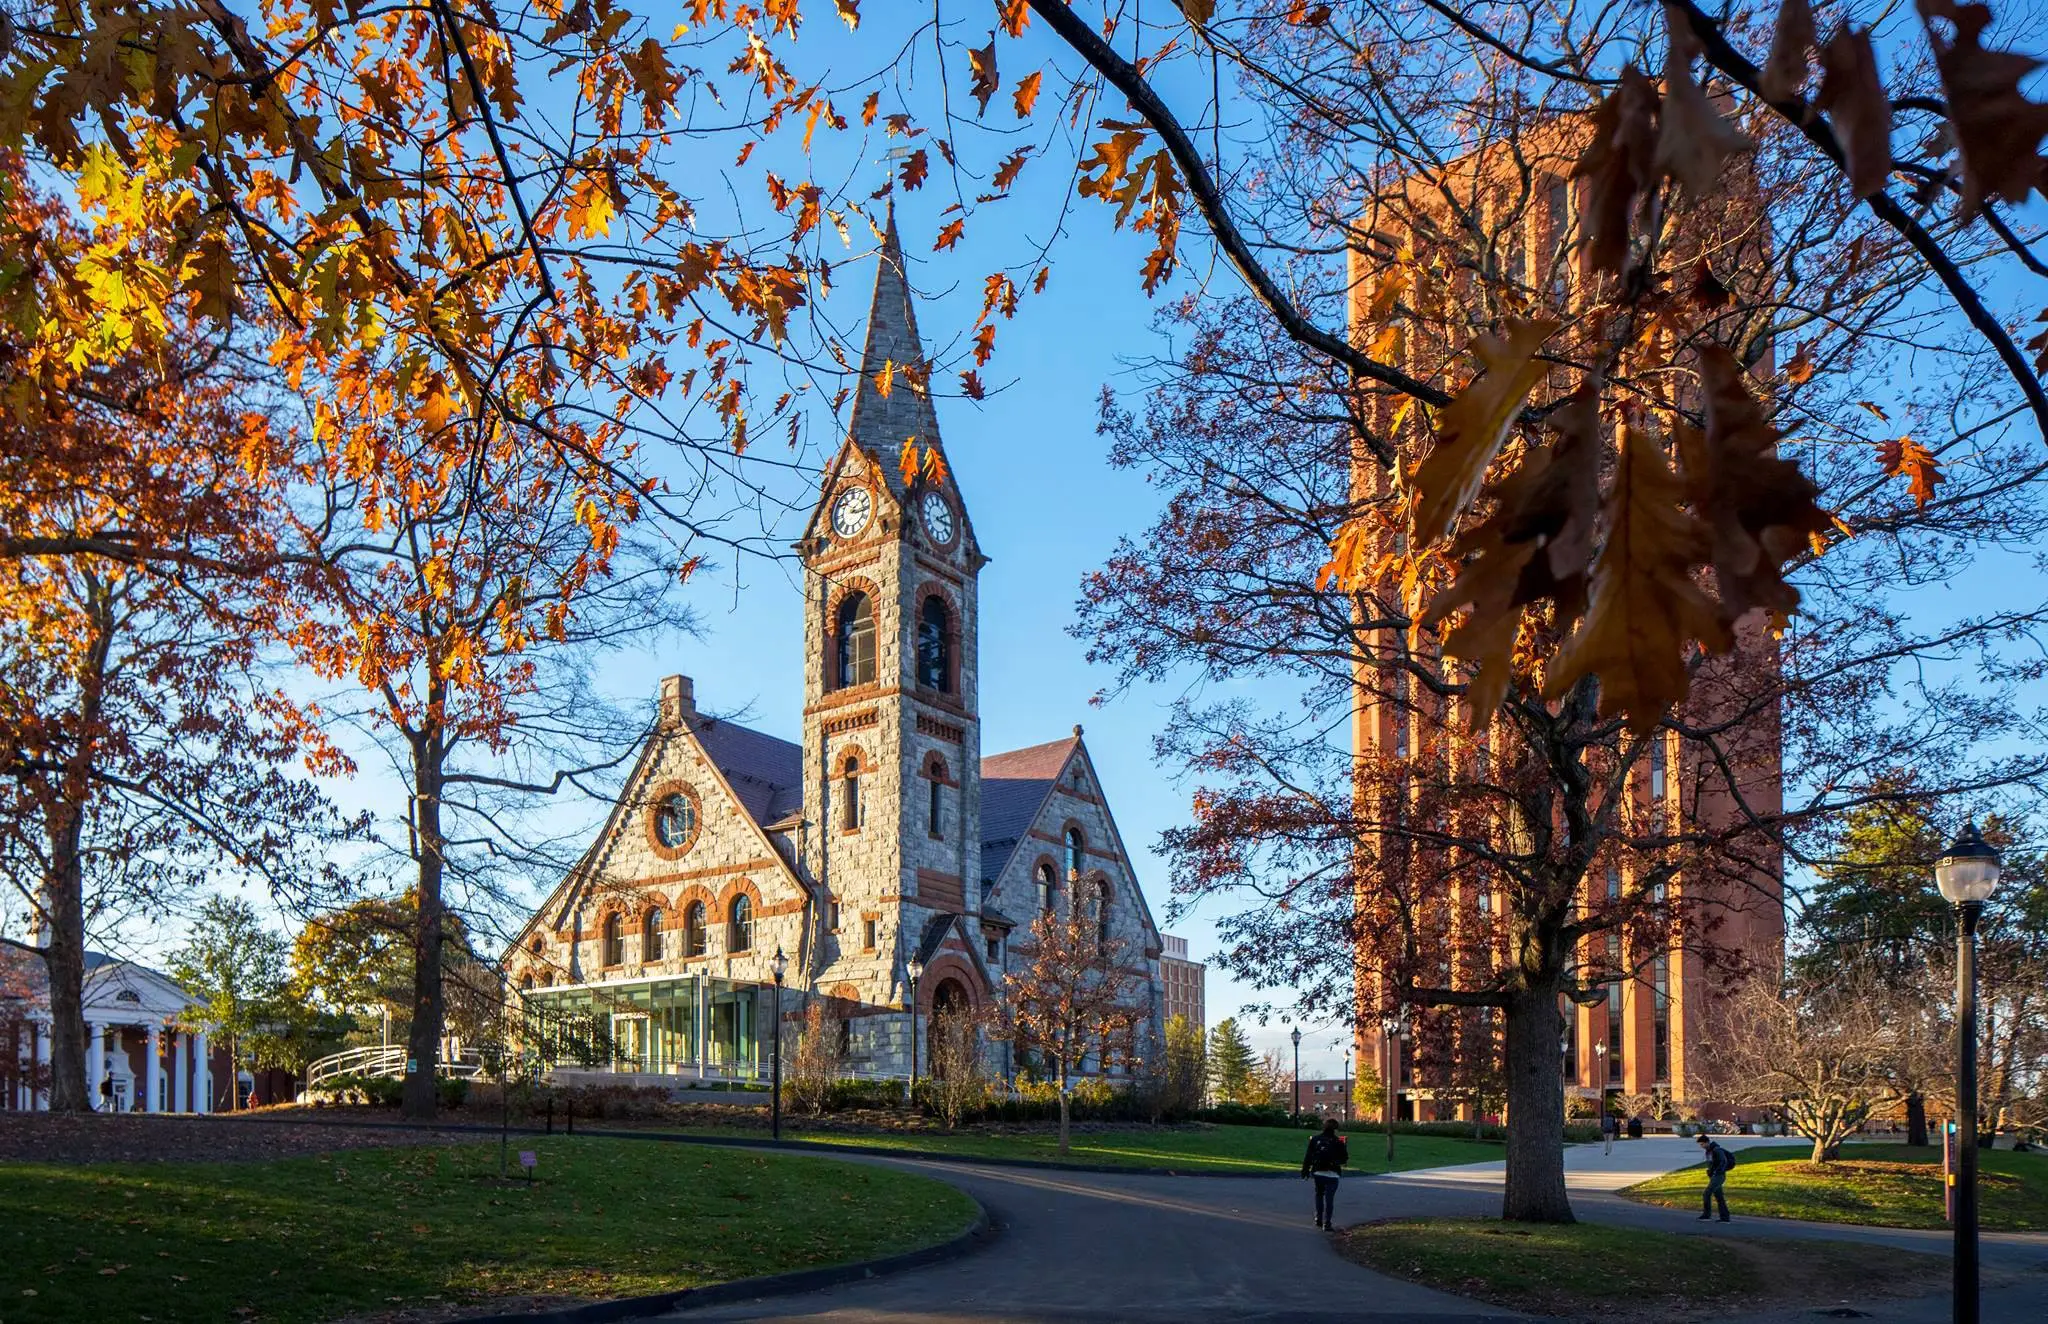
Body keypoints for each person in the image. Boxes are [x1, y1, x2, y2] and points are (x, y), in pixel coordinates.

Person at [1301, 1117, 1349, 1230]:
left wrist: (1305, 1170)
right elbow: (1344, 1158)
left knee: (1319, 1194)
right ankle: (1327, 1223)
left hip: (1318, 1172)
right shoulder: (1338, 1142)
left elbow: (1308, 1156)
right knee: (1329, 1199)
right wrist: (1336, 1162)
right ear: (1335, 1129)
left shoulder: (1315, 1139)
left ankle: (1318, 1218)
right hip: (1333, 1174)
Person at [1696, 1133, 1734, 1222]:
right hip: (1714, 1176)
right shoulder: (1709, 1151)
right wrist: (1710, 1171)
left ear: (1707, 1142)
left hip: (1719, 1176)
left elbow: (1723, 1161)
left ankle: (1706, 1215)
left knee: (1706, 1194)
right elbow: (1712, 1164)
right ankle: (1725, 1217)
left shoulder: (1717, 1150)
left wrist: (1717, 1171)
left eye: (1702, 1144)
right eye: (1700, 1144)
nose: (1701, 1146)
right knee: (1719, 1196)